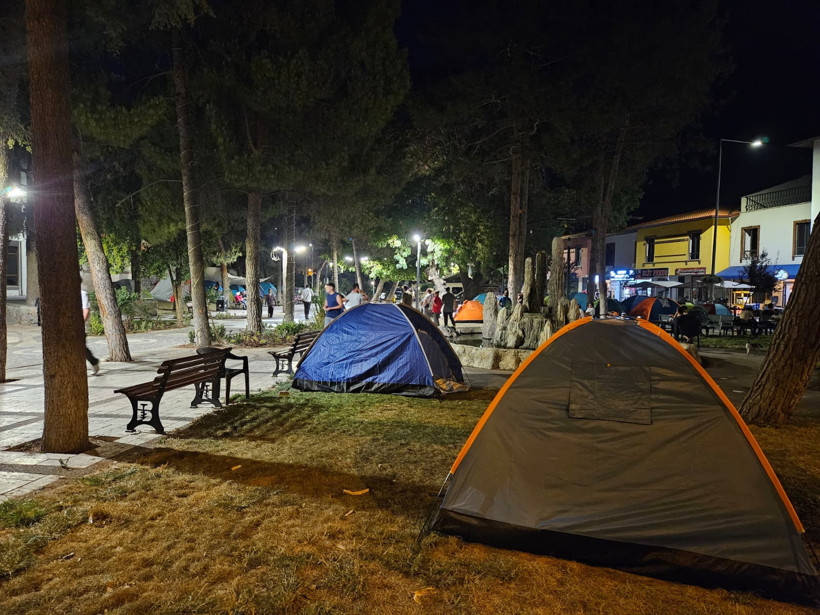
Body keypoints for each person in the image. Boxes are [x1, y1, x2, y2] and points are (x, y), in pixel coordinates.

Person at [81, 289, 100, 375]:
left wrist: (80, 324)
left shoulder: (82, 294)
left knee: (81, 348)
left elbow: (86, 311)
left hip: (78, 327)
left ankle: (93, 361)